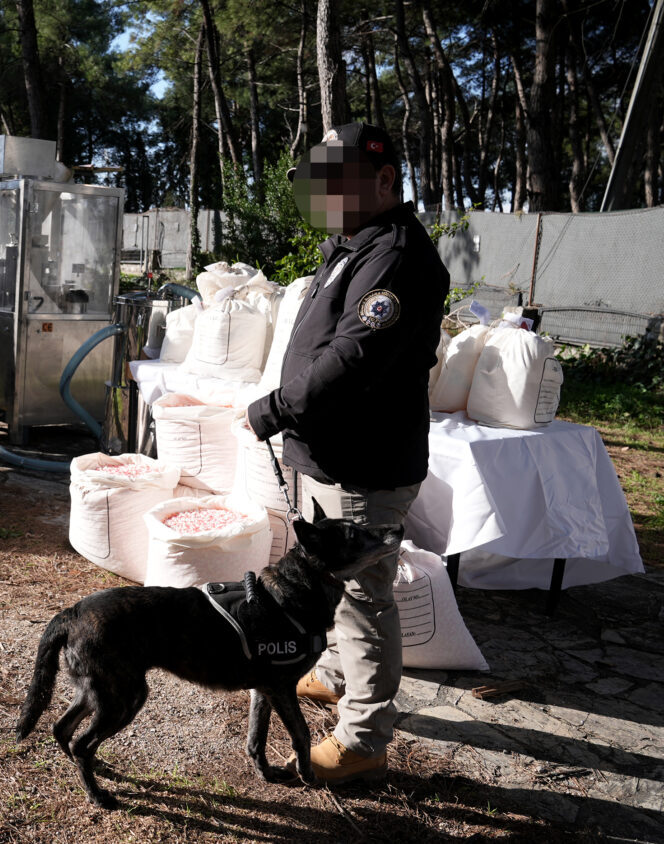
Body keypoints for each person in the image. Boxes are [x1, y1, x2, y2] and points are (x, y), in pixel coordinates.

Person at [245, 123, 450, 783]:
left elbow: (353, 355)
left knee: (365, 594)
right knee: (331, 579)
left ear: (384, 179)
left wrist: (275, 409)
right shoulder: (352, 246)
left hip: (364, 463)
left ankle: (364, 739)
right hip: (328, 455)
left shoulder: (398, 256)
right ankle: (334, 674)